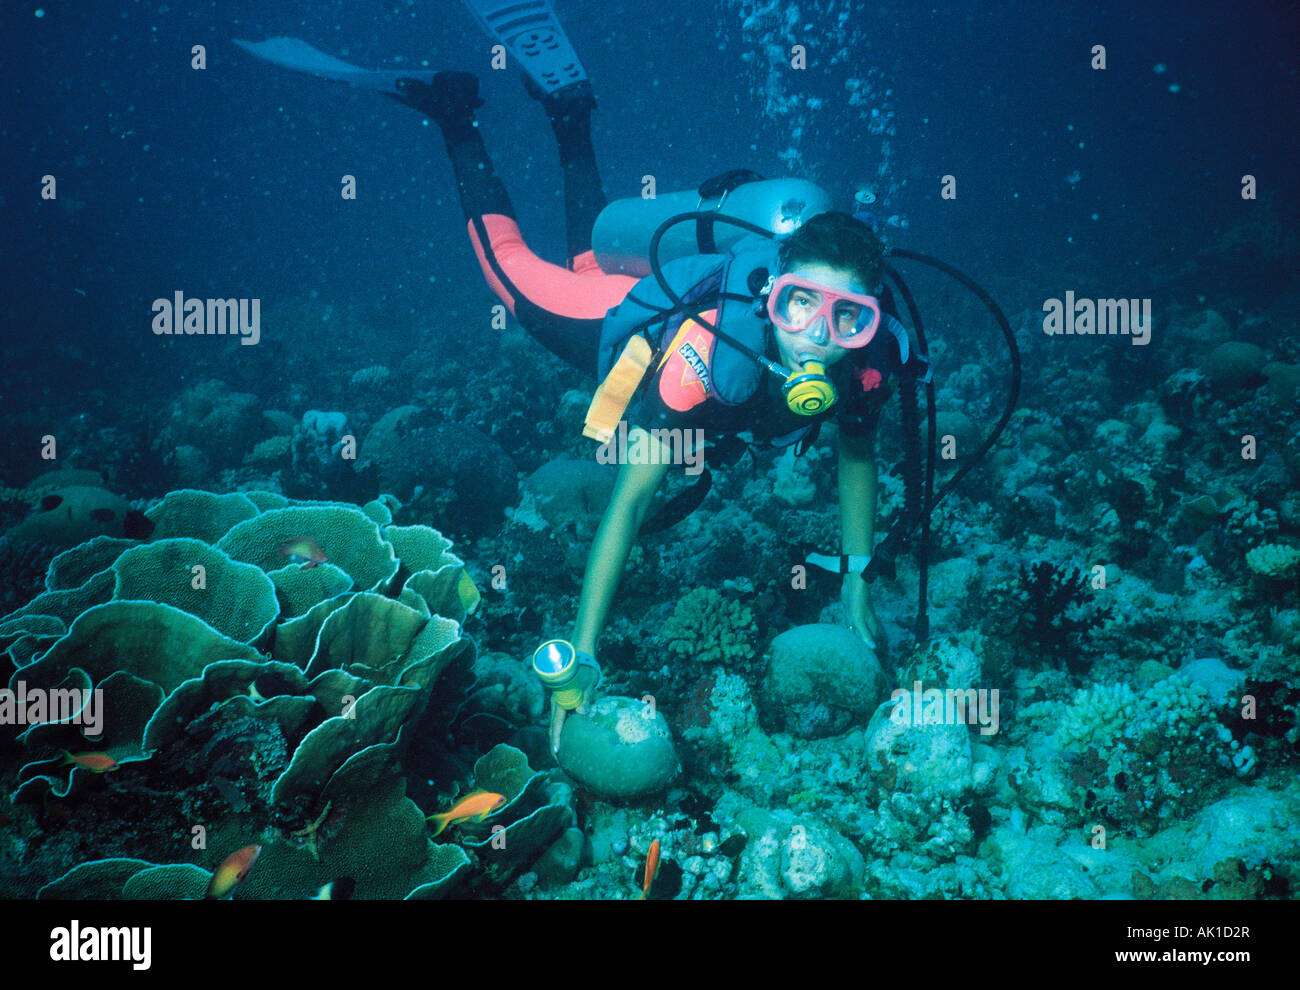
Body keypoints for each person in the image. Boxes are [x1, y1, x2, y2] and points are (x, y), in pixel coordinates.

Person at [386, 68, 929, 751]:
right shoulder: (701, 359)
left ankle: (569, 111)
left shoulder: (867, 367)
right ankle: (455, 115)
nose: (818, 335)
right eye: (800, 303)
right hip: (608, 320)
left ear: (870, 323)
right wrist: (583, 651)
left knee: (590, 253)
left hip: (665, 298)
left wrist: (855, 584)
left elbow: (858, 458)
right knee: (514, 271)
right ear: (771, 296)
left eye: (847, 317)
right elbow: (629, 506)